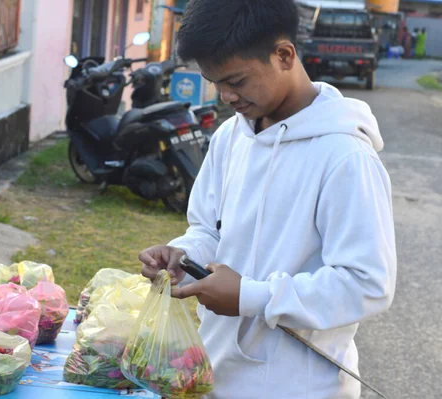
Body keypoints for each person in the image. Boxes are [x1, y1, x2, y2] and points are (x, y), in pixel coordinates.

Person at [138, 0, 397, 398]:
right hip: (215, 373)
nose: (225, 96)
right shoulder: (232, 136)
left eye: (236, 81)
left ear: (284, 54)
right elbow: (210, 228)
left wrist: (251, 296)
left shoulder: (345, 158)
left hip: (300, 386)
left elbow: (367, 284)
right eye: (215, 82)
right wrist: (181, 255)